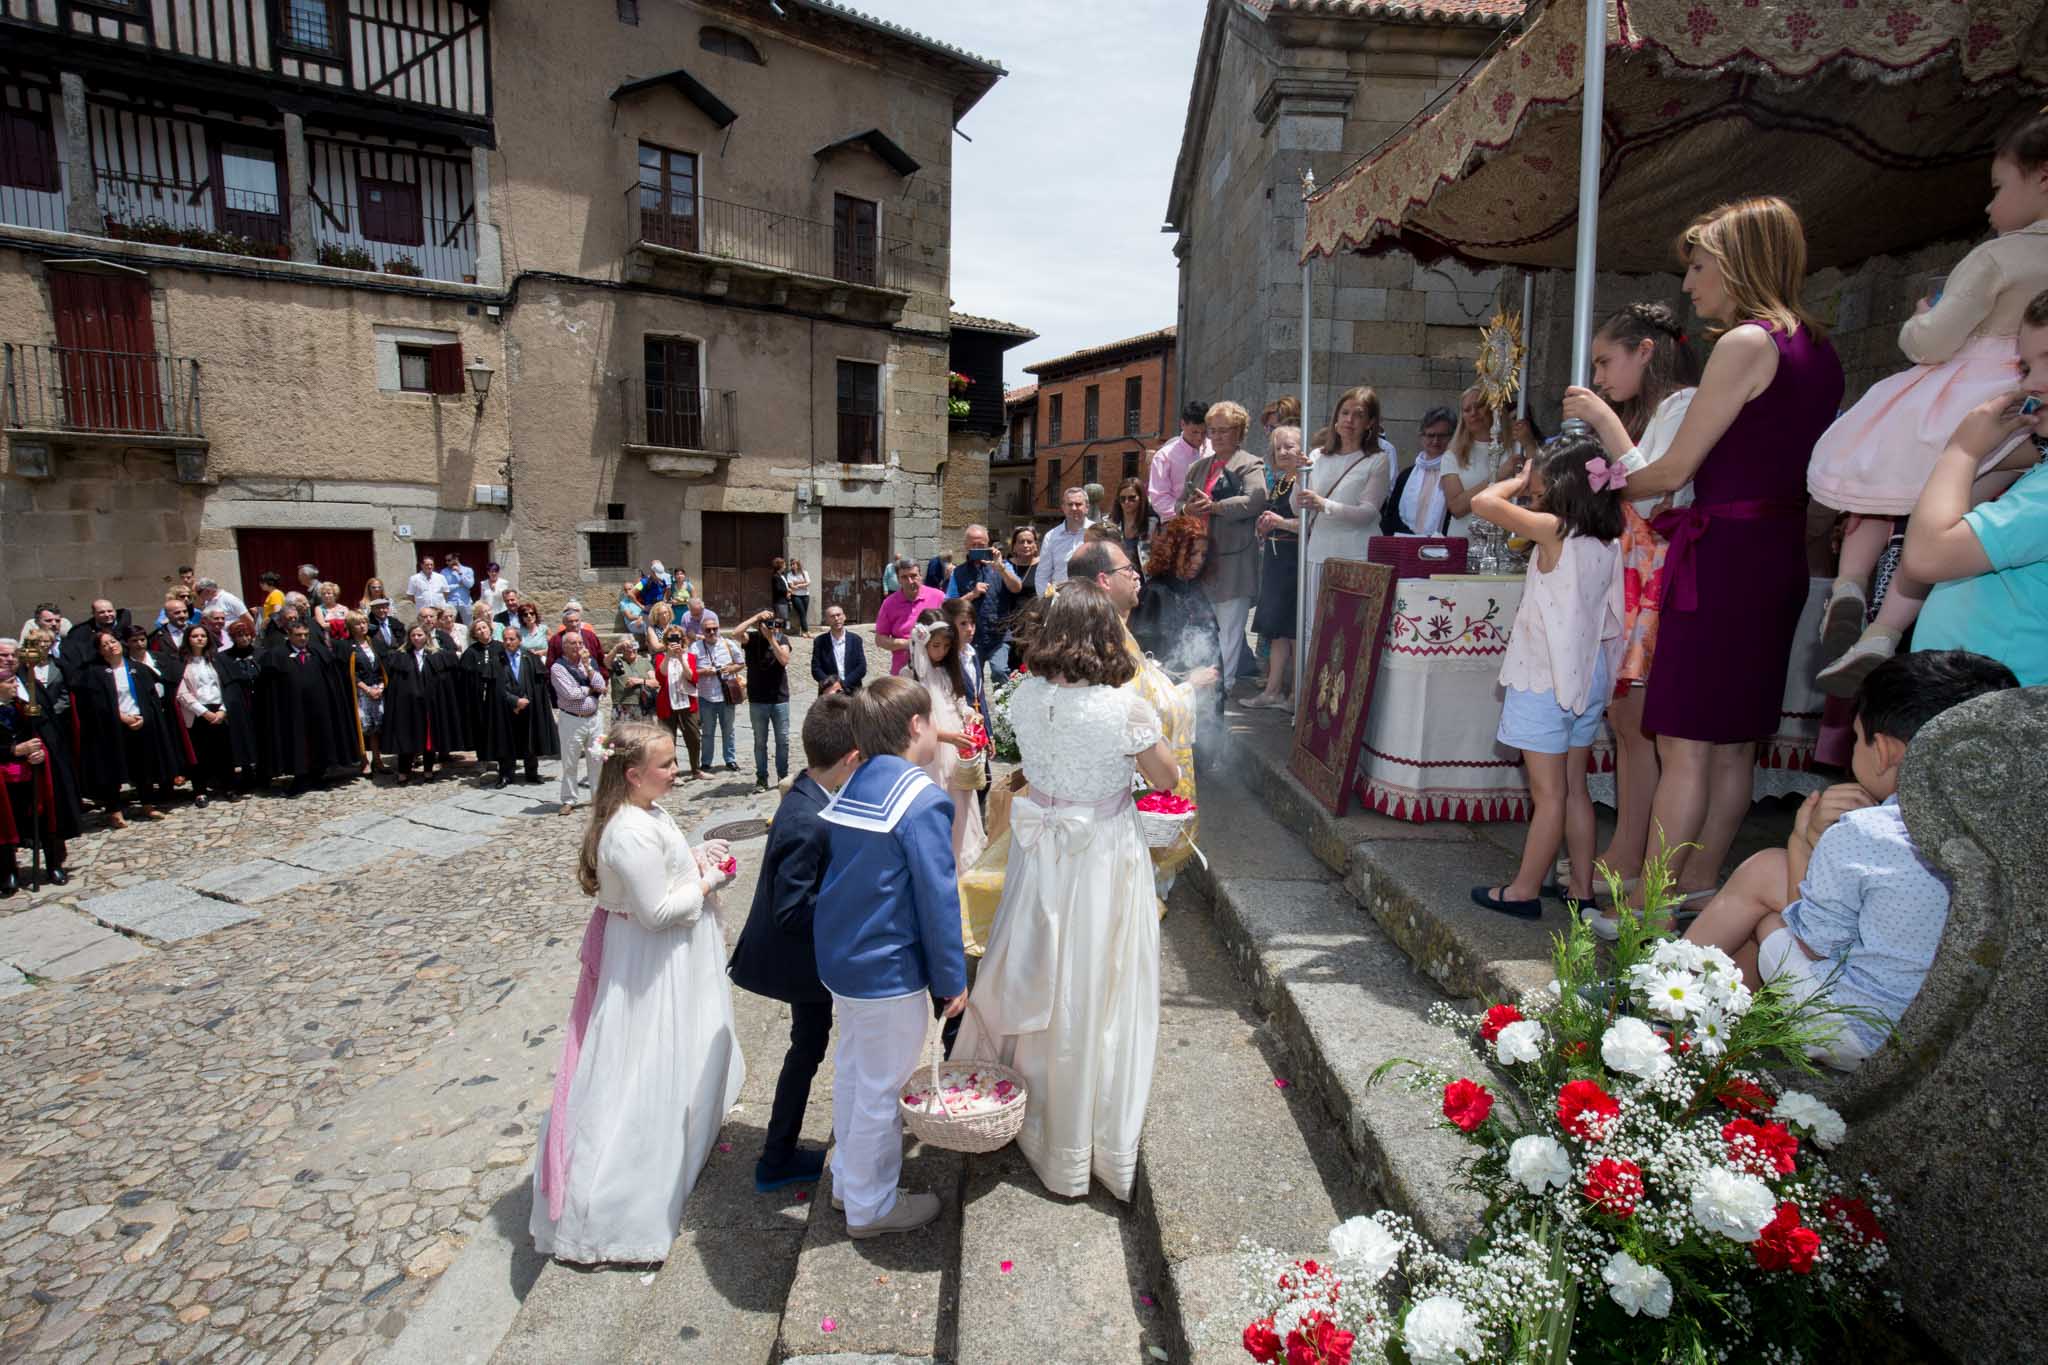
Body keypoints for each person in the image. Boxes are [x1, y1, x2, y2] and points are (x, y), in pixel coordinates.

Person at [1605, 196, 1846, 910]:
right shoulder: (1820, 348)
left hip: (1724, 555)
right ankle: (1700, 892)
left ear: (1738, 263)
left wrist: (1599, 482)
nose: (1689, 283)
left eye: (1700, 265)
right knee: (1737, 740)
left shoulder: (1746, 343)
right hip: (1776, 555)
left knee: (1683, 743)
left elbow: (1676, 468)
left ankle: (1648, 910)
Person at [1683, 650, 2019, 1067]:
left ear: (1886, 751)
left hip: (1856, 1031)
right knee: (1771, 888)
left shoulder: (1868, 832)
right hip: (1958, 1033)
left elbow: (1816, 943)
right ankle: (1706, 1027)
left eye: (1856, 737)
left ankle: (1668, 1004)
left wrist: (1803, 843)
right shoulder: (2016, 825)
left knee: (1766, 898)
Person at [955, 581, 1180, 1200]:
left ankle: (1025, 1096)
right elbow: (1169, 773)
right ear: (1104, 635)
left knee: (1039, 965)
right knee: (1093, 978)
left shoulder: (1023, 696)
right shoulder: (1123, 708)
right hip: (1099, 852)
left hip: (1039, 851)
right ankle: (1080, 1129)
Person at [1809, 113, 2048, 692]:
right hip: (2018, 426)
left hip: (1963, 398)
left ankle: (1848, 584)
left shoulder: (1996, 257)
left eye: (1998, 188)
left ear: (2042, 177)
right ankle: (1885, 632)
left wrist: (1918, 321)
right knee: (1961, 507)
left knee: (1872, 484)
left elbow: (1936, 340)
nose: (1990, 208)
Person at [531, 723, 743, 1265]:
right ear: (631, 775)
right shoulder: (626, 830)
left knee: (672, 1052)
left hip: (669, 957)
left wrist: (694, 853)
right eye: (667, 764)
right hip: (651, 963)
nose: (676, 771)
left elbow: (661, 869)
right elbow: (658, 912)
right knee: (643, 1062)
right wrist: (711, 880)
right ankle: (621, 1196)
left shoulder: (648, 810)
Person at [1554, 303, 1704, 905]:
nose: (1600, 378)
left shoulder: (1685, 405)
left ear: (1646, 351)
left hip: (1659, 571)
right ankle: (1629, 843)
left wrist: (1602, 421)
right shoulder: (1655, 410)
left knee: (1639, 725)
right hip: (1633, 573)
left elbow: (1659, 489)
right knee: (1625, 723)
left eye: (1605, 362)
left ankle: (1637, 852)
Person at [812, 676, 968, 1239]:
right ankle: (872, 1208)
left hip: (845, 961)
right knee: (882, 1090)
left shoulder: (856, 782)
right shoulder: (921, 798)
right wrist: (951, 979)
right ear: (915, 727)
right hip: (886, 968)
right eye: (931, 720)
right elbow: (936, 895)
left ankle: (849, 1184)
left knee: (855, 1075)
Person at [1465, 438, 1627, 919]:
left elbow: (1481, 504)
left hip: (1547, 677)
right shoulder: (1605, 538)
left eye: (1539, 480)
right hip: (1587, 673)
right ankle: (1581, 885)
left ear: (1558, 484)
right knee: (1574, 787)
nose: (1533, 487)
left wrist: (1514, 480)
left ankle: (1524, 890)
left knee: (1548, 793)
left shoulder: (1556, 530)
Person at [727, 694, 861, 1193]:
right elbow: (791, 912)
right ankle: (777, 1156)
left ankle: (779, 1149)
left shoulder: (809, 793)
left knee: (809, 1046)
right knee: (807, 1048)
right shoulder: (808, 819)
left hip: (806, 960)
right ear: (851, 757)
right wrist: (850, 902)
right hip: (798, 963)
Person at [1905, 346, 2048, 684]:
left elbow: (1928, 556)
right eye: (2026, 367)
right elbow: (1943, 515)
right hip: (1970, 702)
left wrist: (1963, 450)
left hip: (1991, 714)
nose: (2035, 383)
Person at [1295, 388, 1394, 667]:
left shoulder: (1377, 460)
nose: (1350, 420)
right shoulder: (1317, 456)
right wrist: (1297, 477)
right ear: (1336, 417)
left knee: (1351, 629)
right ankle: (1308, 697)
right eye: (1345, 412)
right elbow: (1297, 508)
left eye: (1358, 415)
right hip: (1319, 553)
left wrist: (1323, 504)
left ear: (1370, 423)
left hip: (1356, 554)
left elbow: (1368, 512)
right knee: (1312, 626)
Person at [1181, 401, 1268, 697]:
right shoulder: (1198, 466)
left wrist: (1215, 506)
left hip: (1233, 558)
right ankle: (1201, 684)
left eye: (1224, 430)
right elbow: (1182, 503)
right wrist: (1186, 508)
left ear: (1239, 431)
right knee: (1201, 626)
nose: (1216, 436)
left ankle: (1224, 686)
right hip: (1199, 558)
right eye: (1212, 431)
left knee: (1230, 628)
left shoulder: (1250, 463)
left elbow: (1256, 501)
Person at [908, 609, 987, 869]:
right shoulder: (912, 679)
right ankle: (943, 863)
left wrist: (969, 715)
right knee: (940, 802)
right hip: (933, 753)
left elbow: (957, 702)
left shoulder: (946, 673)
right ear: (922, 645)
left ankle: (962, 854)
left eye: (946, 646)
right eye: (935, 646)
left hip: (955, 750)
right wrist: (950, 737)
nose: (941, 652)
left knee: (960, 798)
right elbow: (917, 727)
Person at [0, 648, 81, 892]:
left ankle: (53, 863)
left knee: (45, 814)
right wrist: (14, 750)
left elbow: (44, 728)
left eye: (13, 655)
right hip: (4, 773)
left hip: (35, 768)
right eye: (9, 682)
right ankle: (7, 871)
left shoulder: (29, 694)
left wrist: (39, 751)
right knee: (5, 821)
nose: (15, 685)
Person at [1246, 424, 1304, 710]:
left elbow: (1310, 525)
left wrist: (1278, 523)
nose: (1282, 452)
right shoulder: (1281, 480)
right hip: (1275, 559)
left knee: (1293, 630)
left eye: (1289, 446)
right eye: (1278, 447)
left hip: (1294, 561)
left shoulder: (1304, 481)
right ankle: (1272, 690)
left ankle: (1295, 693)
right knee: (1277, 630)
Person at [260, 619, 354, 795]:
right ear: (289, 635)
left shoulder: (318, 652)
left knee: (320, 738)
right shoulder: (277, 655)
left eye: (306, 635)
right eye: (298, 635)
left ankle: (318, 774)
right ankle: (300, 777)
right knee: (298, 741)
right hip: (293, 709)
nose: (303, 639)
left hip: (319, 707)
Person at [174, 624, 255, 804]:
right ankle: (200, 791)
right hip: (196, 712)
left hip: (220, 710)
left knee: (224, 752)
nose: (199, 639)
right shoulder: (181, 663)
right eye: (195, 636)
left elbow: (230, 687)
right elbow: (181, 692)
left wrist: (222, 710)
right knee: (200, 754)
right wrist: (203, 712)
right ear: (188, 639)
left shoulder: (218, 660)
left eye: (203, 635)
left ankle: (229, 787)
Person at [484, 623, 557, 787]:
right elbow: (495, 688)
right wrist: (514, 701)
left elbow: (538, 685)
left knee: (529, 739)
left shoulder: (530, 658)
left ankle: (531, 772)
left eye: (511, 639)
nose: (508, 642)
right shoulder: (497, 661)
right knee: (505, 740)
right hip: (505, 708)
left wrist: (526, 700)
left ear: (519, 640)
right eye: (505, 639)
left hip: (528, 707)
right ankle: (505, 775)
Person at [381, 623, 449, 786]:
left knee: (428, 738)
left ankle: (428, 770)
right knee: (406, 737)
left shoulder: (435, 655)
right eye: (413, 635)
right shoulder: (401, 656)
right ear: (409, 638)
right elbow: (396, 683)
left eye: (420, 635)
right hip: (407, 704)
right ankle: (404, 772)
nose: (417, 638)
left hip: (428, 704)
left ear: (426, 636)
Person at [942, 525, 1006, 684]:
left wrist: (1001, 568)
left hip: (998, 634)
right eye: (973, 546)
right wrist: (973, 594)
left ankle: (1004, 707)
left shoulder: (1000, 567)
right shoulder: (958, 572)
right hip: (970, 634)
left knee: (1000, 671)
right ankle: (976, 707)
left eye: (981, 545)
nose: (977, 549)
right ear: (966, 546)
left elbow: (1016, 587)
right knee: (973, 677)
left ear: (989, 544)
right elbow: (949, 605)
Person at [552, 633, 606, 815]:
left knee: (597, 759)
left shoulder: (588, 663)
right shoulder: (558, 668)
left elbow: (602, 685)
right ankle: (569, 799)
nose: (578, 646)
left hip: (594, 718)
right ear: (565, 646)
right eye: (573, 643)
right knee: (570, 761)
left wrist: (588, 668)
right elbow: (571, 693)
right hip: (572, 719)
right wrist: (590, 688)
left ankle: (598, 797)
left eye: (580, 642)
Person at [738, 610, 792, 791]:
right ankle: (761, 778)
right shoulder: (752, 639)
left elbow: (784, 660)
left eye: (773, 623)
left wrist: (771, 639)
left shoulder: (781, 639)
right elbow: (735, 633)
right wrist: (755, 617)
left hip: (779, 698)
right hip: (758, 699)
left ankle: (783, 776)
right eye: (767, 624)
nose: (771, 627)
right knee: (760, 741)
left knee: (782, 740)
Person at [1382, 406, 1457, 536]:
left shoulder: (1457, 474)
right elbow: (1390, 518)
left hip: (1444, 547)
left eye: (1442, 436)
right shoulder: (1406, 476)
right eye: (1430, 435)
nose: (1435, 441)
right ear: (1421, 437)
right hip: (1405, 546)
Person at [872, 561, 945, 676]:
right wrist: (908, 643)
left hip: (936, 669)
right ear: (898, 579)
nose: (910, 581)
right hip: (903, 671)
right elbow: (880, 639)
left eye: (913, 576)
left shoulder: (938, 597)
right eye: (904, 577)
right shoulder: (889, 603)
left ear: (921, 576)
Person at [692, 614, 742, 775]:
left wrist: (730, 669)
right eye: (708, 630)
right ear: (702, 631)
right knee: (707, 731)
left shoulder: (728, 644)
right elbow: (690, 671)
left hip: (726, 694)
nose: (712, 632)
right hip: (706, 696)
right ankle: (706, 762)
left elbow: (740, 663)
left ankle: (730, 759)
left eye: (715, 629)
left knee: (728, 729)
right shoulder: (695, 647)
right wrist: (704, 672)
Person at [1148, 400, 1212, 521]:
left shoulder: (1214, 449)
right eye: (1194, 432)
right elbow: (1158, 498)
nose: (1199, 437)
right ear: (1182, 424)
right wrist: (1184, 510)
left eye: (1204, 432)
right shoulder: (1164, 456)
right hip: (1179, 526)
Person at [653, 625, 704, 778]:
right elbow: (660, 677)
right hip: (667, 703)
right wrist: (669, 655)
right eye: (671, 638)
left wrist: (682, 658)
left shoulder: (690, 657)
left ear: (683, 640)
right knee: (669, 739)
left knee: (694, 736)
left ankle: (696, 769)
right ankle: (672, 772)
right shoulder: (661, 657)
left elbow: (692, 677)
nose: (674, 641)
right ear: (666, 641)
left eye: (677, 638)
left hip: (687, 702)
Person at [342, 612, 386, 777]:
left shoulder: (374, 643)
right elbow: (350, 673)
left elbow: (383, 666)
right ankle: (364, 761)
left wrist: (381, 687)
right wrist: (367, 689)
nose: (362, 626)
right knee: (363, 726)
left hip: (377, 689)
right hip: (360, 692)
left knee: (376, 727)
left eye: (364, 623)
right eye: (358, 624)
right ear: (351, 627)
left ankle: (378, 759)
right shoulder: (348, 646)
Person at [1040, 486, 1094, 589]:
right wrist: (1047, 602)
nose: (1074, 508)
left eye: (1078, 504)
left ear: (1087, 507)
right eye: (1070, 504)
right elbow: (1042, 575)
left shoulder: (1098, 533)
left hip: (1090, 599)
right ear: (1063, 508)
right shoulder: (1051, 536)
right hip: (1060, 600)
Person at [59, 600, 127, 682]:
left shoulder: (127, 629)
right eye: (102, 612)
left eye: (110, 611)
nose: (107, 615)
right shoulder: (79, 633)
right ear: (93, 614)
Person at [810, 604, 868, 696]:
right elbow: (816, 669)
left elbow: (861, 667)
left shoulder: (856, 639)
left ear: (844, 617)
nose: (836, 619)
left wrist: (843, 685)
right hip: (829, 692)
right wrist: (832, 685)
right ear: (827, 620)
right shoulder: (820, 641)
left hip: (853, 690)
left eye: (838, 615)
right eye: (832, 616)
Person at [609, 635, 656, 726]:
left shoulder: (645, 662)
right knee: (621, 738)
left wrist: (640, 681)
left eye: (633, 646)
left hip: (642, 706)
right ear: (622, 649)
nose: (631, 650)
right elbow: (606, 662)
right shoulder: (616, 662)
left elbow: (655, 683)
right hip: (621, 707)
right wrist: (617, 647)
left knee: (642, 737)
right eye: (627, 647)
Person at [547, 605, 604, 671]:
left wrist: (603, 676)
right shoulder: (556, 640)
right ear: (564, 623)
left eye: (576, 621)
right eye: (570, 621)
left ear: (580, 621)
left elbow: (600, 659)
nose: (574, 624)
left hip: (592, 673)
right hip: (565, 676)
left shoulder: (590, 636)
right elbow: (550, 663)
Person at [441, 551, 475, 625]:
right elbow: (444, 588)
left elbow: (470, 585)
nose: (447, 562)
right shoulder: (444, 572)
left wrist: (460, 573)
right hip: (451, 601)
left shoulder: (468, 570)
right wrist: (457, 585)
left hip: (465, 601)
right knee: (449, 624)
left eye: (449, 560)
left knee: (469, 624)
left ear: (456, 559)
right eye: (446, 561)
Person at [786, 558, 812, 635]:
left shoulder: (804, 572)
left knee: (804, 614)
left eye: (794, 564)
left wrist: (797, 583)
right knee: (802, 613)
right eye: (791, 564)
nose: (792, 566)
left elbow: (808, 583)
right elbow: (792, 586)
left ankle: (802, 631)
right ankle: (806, 631)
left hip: (806, 596)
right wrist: (803, 583)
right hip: (795, 596)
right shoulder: (789, 574)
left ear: (798, 565)